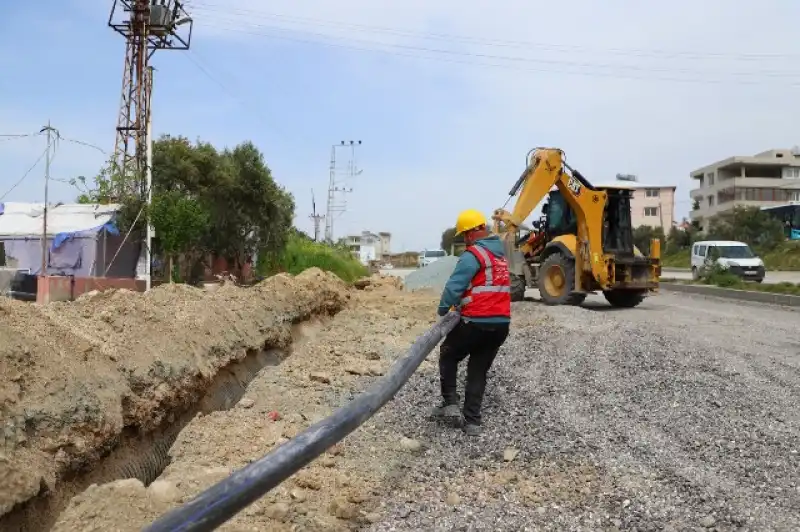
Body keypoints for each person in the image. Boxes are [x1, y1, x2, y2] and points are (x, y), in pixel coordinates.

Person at [431, 209, 511, 436]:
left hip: (476, 321)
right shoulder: (500, 257)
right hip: (501, 325)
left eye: (467, 233)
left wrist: (443, 310)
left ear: (478, 231)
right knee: (478, 370)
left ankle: (450, 404)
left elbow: (454, 287)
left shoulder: (473, 255)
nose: (466, 239)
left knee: (449, 353)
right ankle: (473, 421)